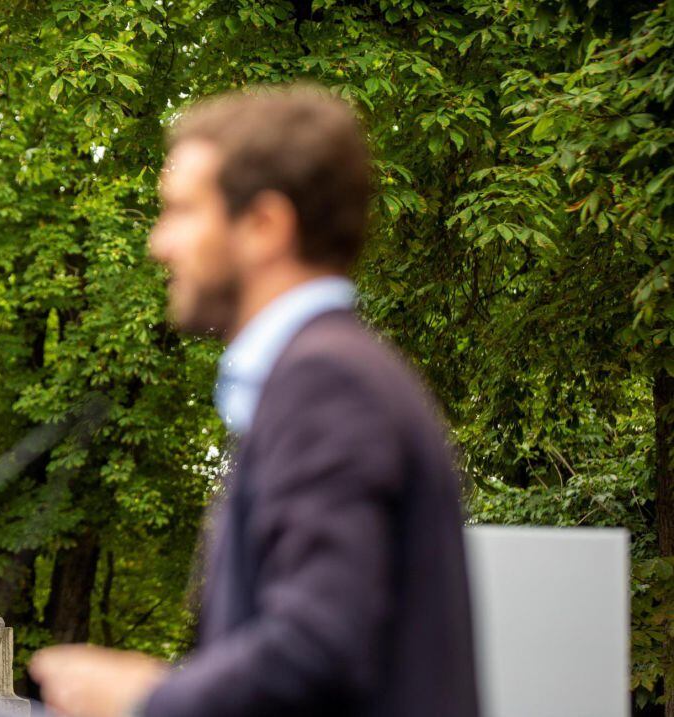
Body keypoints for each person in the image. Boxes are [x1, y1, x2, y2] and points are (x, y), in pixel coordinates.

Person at [29, 85, 479, 717]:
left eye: (183, 212)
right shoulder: (332, 372)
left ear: (265, 226)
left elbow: (318, 647)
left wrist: (148, 697)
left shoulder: (327, 383)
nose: (160, 243)